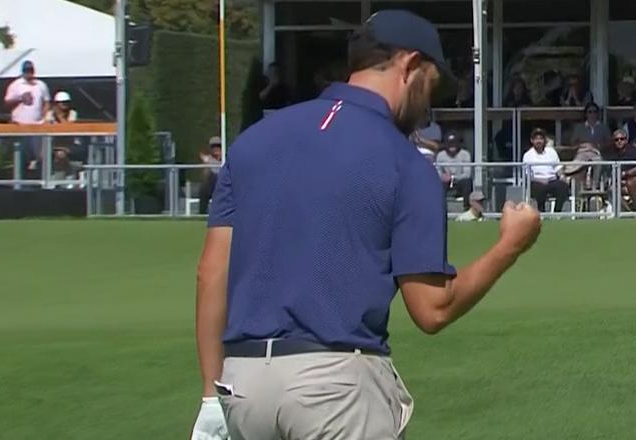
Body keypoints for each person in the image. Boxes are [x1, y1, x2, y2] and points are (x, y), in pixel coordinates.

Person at [191, 10, 541, 440]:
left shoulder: (253, 142)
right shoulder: (405, 164)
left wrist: (211, 396)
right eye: (430, 86)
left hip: (242, 388)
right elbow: (433, 309)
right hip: (337, 388)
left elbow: (211, 273)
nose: (429, 106)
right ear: (409, 66)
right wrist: (510, 245)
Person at [606, 128, 636, 211]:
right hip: (626, 182)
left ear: (626, 140)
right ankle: (629, 212)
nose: (619, 141)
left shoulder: (634, 150)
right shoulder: (613, 155)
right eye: (616, 140)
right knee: (612, 189)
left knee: (630, 183)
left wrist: (626, 173)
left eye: (622, 139)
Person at [523, 128, 569, 212]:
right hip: (536, 182)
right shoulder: (527, 155)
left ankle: (556, 213)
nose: (539, 141)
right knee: (540, 189)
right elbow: (527, 174)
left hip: (551, 181)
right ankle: (542, 213)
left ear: (544, 140)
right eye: (536, 139)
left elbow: (558, 168)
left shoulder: (551, 152)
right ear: (532, 140)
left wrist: (562, 176)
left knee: (563, 187)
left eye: (541, 138)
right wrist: (537, 180)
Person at [4, 60, 51, 124]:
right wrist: (21, 99)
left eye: (30, 70)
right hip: (19, 123)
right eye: (26, 70)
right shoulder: (15, 85)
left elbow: (46, 102)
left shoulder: (41, 85)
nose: (29, 72)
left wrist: (43, 117)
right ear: (23, 71)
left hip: (37, 123)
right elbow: (7, 103)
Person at [436, 132, 472, 209]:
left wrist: (452, 177)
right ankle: (440, 208)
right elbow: (437, 171)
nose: (452, 145)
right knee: (439, 185)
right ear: (445, 144)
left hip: (460, 180)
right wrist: (442, 176)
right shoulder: (441, 155)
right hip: (446, 181)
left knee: (467, 182)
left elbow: (467, 173)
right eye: (449, 143)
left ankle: (467, 208)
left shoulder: (465, 154)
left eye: (454, 143)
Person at [198, 136, 223, 215]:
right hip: (210, 186)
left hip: (223, 185)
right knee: (205, 185)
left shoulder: (226, 158)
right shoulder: (208, 159)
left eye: (218, 146)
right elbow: (203, 176)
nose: (216, 148)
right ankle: (201, 214)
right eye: (213, 146)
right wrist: (206, 165)